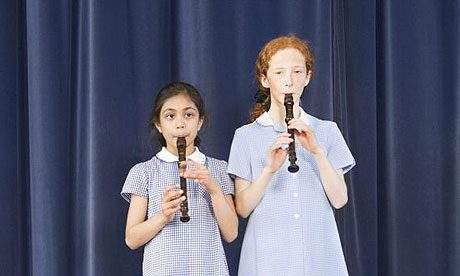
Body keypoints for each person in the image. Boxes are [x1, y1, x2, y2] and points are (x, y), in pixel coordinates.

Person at [228, 35, 355, 276]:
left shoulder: (327, 131)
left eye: (297, 72)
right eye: (279, 73)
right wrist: (269, 170)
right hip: (267, 257)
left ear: (307, 77)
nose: (289, 81)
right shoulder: (245, 136)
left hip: (319, 256)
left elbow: (339, 200)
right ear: (265, 79)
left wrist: (317, 152)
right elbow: (242, 208)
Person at [121, 82, 238, 276]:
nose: (180, 123)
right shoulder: (143, 172)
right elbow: (131, 239)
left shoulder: (219, 169)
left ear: (200, 122)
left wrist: (214, 189)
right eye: (170, 116)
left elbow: (231, 233)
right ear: (158, 124)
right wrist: (163, 216)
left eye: (189, 115)